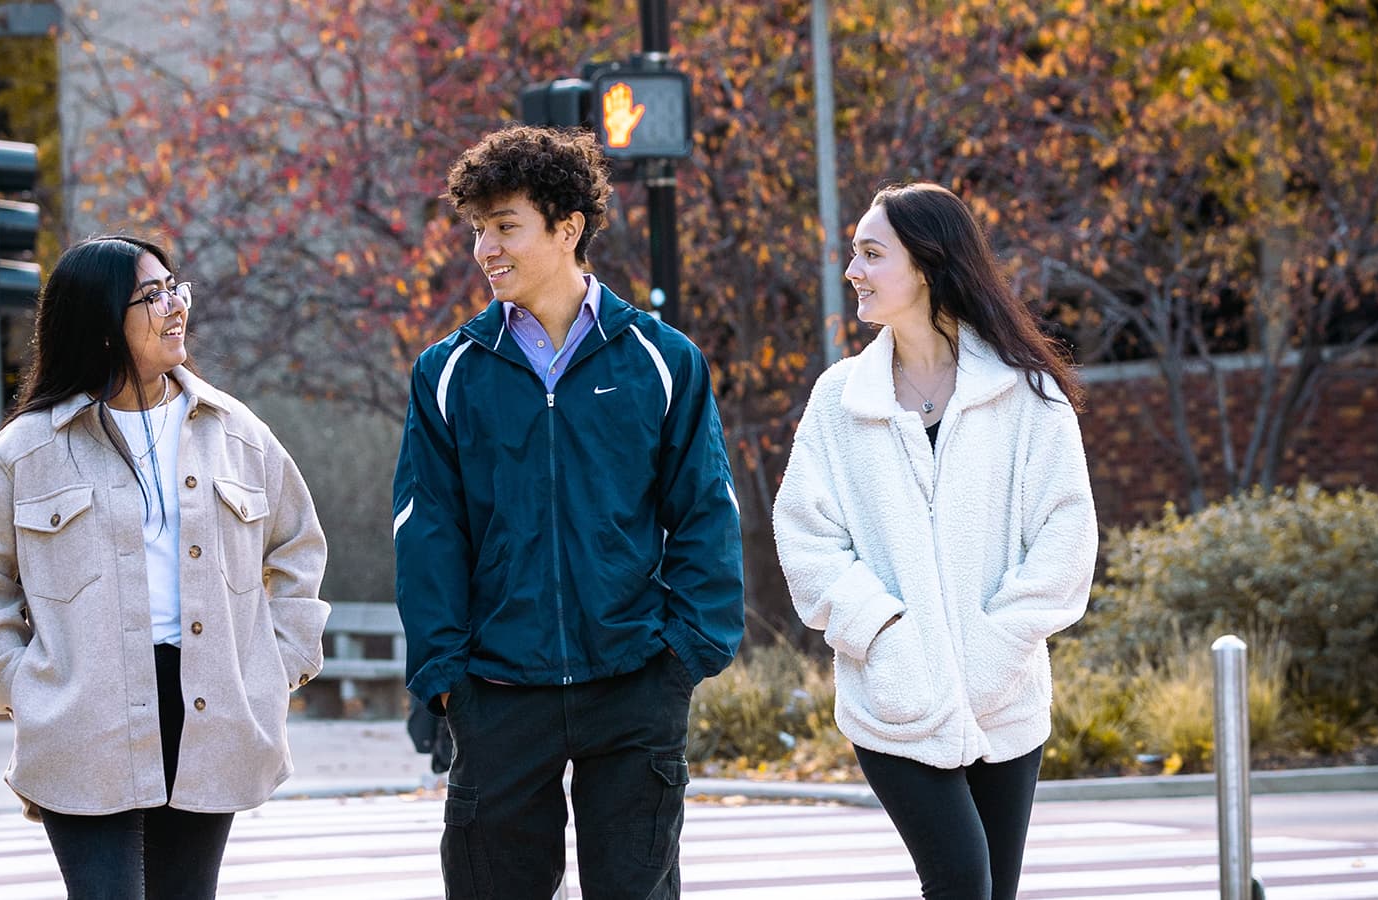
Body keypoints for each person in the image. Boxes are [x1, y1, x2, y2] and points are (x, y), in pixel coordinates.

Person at [392, 125, 745, 899]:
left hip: (632, 681)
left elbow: (705, 516)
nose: (486, 248)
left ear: (568, 227)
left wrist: (683, 657)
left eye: (506, 227)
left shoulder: (662, 359)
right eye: (478, 229)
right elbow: (426, 532)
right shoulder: (448, 372)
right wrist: (446, 677)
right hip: (497, 687)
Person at [0, 235, 330, 899]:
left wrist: (277, 663)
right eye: (151, 296)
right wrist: (20, 684)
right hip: (81, 714)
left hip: (210, 709)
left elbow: (297, 547)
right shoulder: (29, 450)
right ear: (99, 321)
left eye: (173, 287)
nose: (174, 305)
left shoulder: (234, 432)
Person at [772, 183, 1098, 899]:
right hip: (893, 698)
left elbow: (1066, 538)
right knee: (960, 880)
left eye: (870, 254)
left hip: (1003, 696)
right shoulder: (840, 399)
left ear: (925, 263)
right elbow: (807, 540)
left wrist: (998, 643)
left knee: (992, 891)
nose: (852, 271)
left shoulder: (1027, 393)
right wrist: (884, 637)